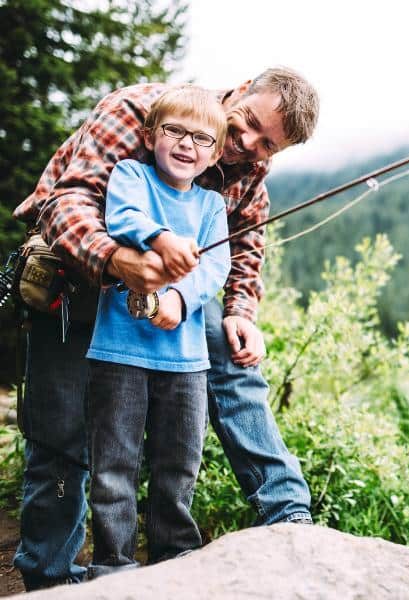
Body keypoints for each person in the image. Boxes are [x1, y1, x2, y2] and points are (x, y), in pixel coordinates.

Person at [12, 66, 319, 590]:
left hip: (172, 311)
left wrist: (241, 312)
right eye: (244, 124)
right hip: (80, 289)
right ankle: (50, 580)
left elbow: (244, 252)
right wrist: (118, 258)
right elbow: (66, 205)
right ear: (241, 89)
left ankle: (290, 518)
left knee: (234, 352)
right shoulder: (139, 111)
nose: (243, 144)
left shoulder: (249, 170)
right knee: (62, 442)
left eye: (265, 144)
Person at [86, 85, 230, 577]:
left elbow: (215, 270)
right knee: (112, 469)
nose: (187, 144)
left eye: (203, 138)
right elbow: (121, 217)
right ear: (150, 136)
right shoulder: (131, 175)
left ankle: (176, 563)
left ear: (214, 155)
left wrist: (181, 299)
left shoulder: (212, 207)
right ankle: (114, 568)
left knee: (179, 469)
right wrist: (162, 239)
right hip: (117, 354)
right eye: (175, 131)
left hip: (186, 364)